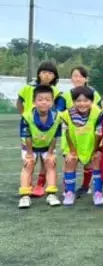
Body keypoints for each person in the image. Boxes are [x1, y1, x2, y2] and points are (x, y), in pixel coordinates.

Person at [17, 61, 65, 197]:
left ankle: (40, 184)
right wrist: (24, 115)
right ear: (39, 73)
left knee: (46, 160)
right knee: (30, 159)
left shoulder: (56, 91)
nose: (47, 75)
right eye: (44, 72)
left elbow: (60, 109)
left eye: (50, 73)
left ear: (54, 76)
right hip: (31, 127)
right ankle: (28, 185)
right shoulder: (28, 88)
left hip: (48, 130)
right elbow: (19, 102)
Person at [61, 86, 103, 206]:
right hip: (73, 146)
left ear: (92, 101)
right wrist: (72, 151)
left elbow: (99, 134)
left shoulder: (98, 114)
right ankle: (69, 192)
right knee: (71, 160)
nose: (82, 104)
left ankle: (98, 192)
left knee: (97, 158)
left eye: (86, 100)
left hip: (92, 145)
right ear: (73, 101)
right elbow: (66, 133)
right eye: (78, 101)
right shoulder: (66, 115)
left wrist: (95, 150)